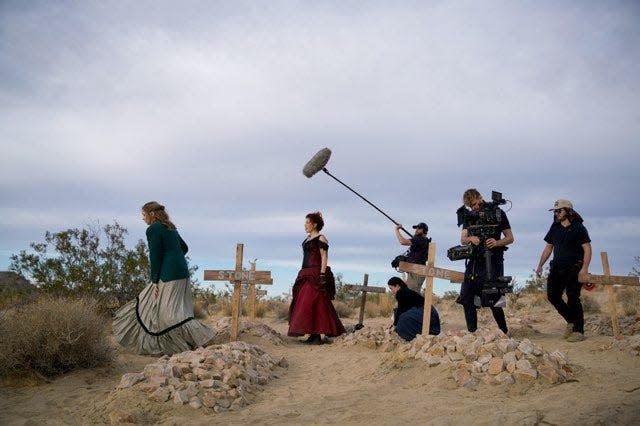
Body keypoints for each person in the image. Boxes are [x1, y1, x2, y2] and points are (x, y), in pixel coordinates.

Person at [112, 201, 215, 355]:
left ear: (152, 214)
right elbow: (184, 248)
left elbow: (155, 256)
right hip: (182, 273)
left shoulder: (153, 229)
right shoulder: (170, 227)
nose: (143, 219)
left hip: (169, 275)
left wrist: (155, 281)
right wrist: (174, 258)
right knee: (180, 311)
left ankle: (188, 342)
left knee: (167, 314)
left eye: (144, 215)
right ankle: (191, 341)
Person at [456, 189, 513, 335]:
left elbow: (510, 237)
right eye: (472, 205)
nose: (475, 207)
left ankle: (504, 332)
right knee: (466, 296)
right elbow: (462, 239)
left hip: (493, 260)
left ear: (480, 197)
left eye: (476, 203)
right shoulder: (470, 216)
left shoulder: (498, 212)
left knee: (493, 295)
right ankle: (472, 333)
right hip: (474, 261)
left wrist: (497, 242)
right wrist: (471, 239)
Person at [535, 199, 592, 342]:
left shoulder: (579, 227)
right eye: (555, 211)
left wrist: (584, 269)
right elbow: (549, 247)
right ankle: (572, 321)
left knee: (573, 297)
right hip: (557, 268)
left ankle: (578, 331)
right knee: (552, 296)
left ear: (568, 211)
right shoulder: (554, 227)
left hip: (574, 268)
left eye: (559, 210)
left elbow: (587, 248)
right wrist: (540, 265)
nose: (556, 213)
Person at [288, 212, 346, 344]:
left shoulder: (321, 238)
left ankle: (318, 335)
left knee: (315, 303)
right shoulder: (307, 239)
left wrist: (322, 274)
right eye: (305, 223)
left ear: (314, 224)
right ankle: (312, 334)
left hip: (315, 273)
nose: (305, 225)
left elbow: (324, 256)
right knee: (305, 304)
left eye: (307, 222)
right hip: (304, 273)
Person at [387, 276, 440, 341]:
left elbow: (401, 310)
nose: (391, 291)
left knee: (402, 319)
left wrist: (395, 325)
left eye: (391, 288)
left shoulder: (400, 293)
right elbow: (402, 309)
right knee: (400, 316)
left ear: (397, 286)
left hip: (426, 312)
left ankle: (413, 337)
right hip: (431, 314)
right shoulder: (406, 291)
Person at [392, 222, 431, 293]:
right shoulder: (421, 240)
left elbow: (402, 241)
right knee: (410, 295)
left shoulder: (421, 239)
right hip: (416, 271)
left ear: (424, 230)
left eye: (419, 228)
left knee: (411, 295)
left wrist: (397, 230)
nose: (416, 230)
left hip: (417, 271)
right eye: (416, 228)